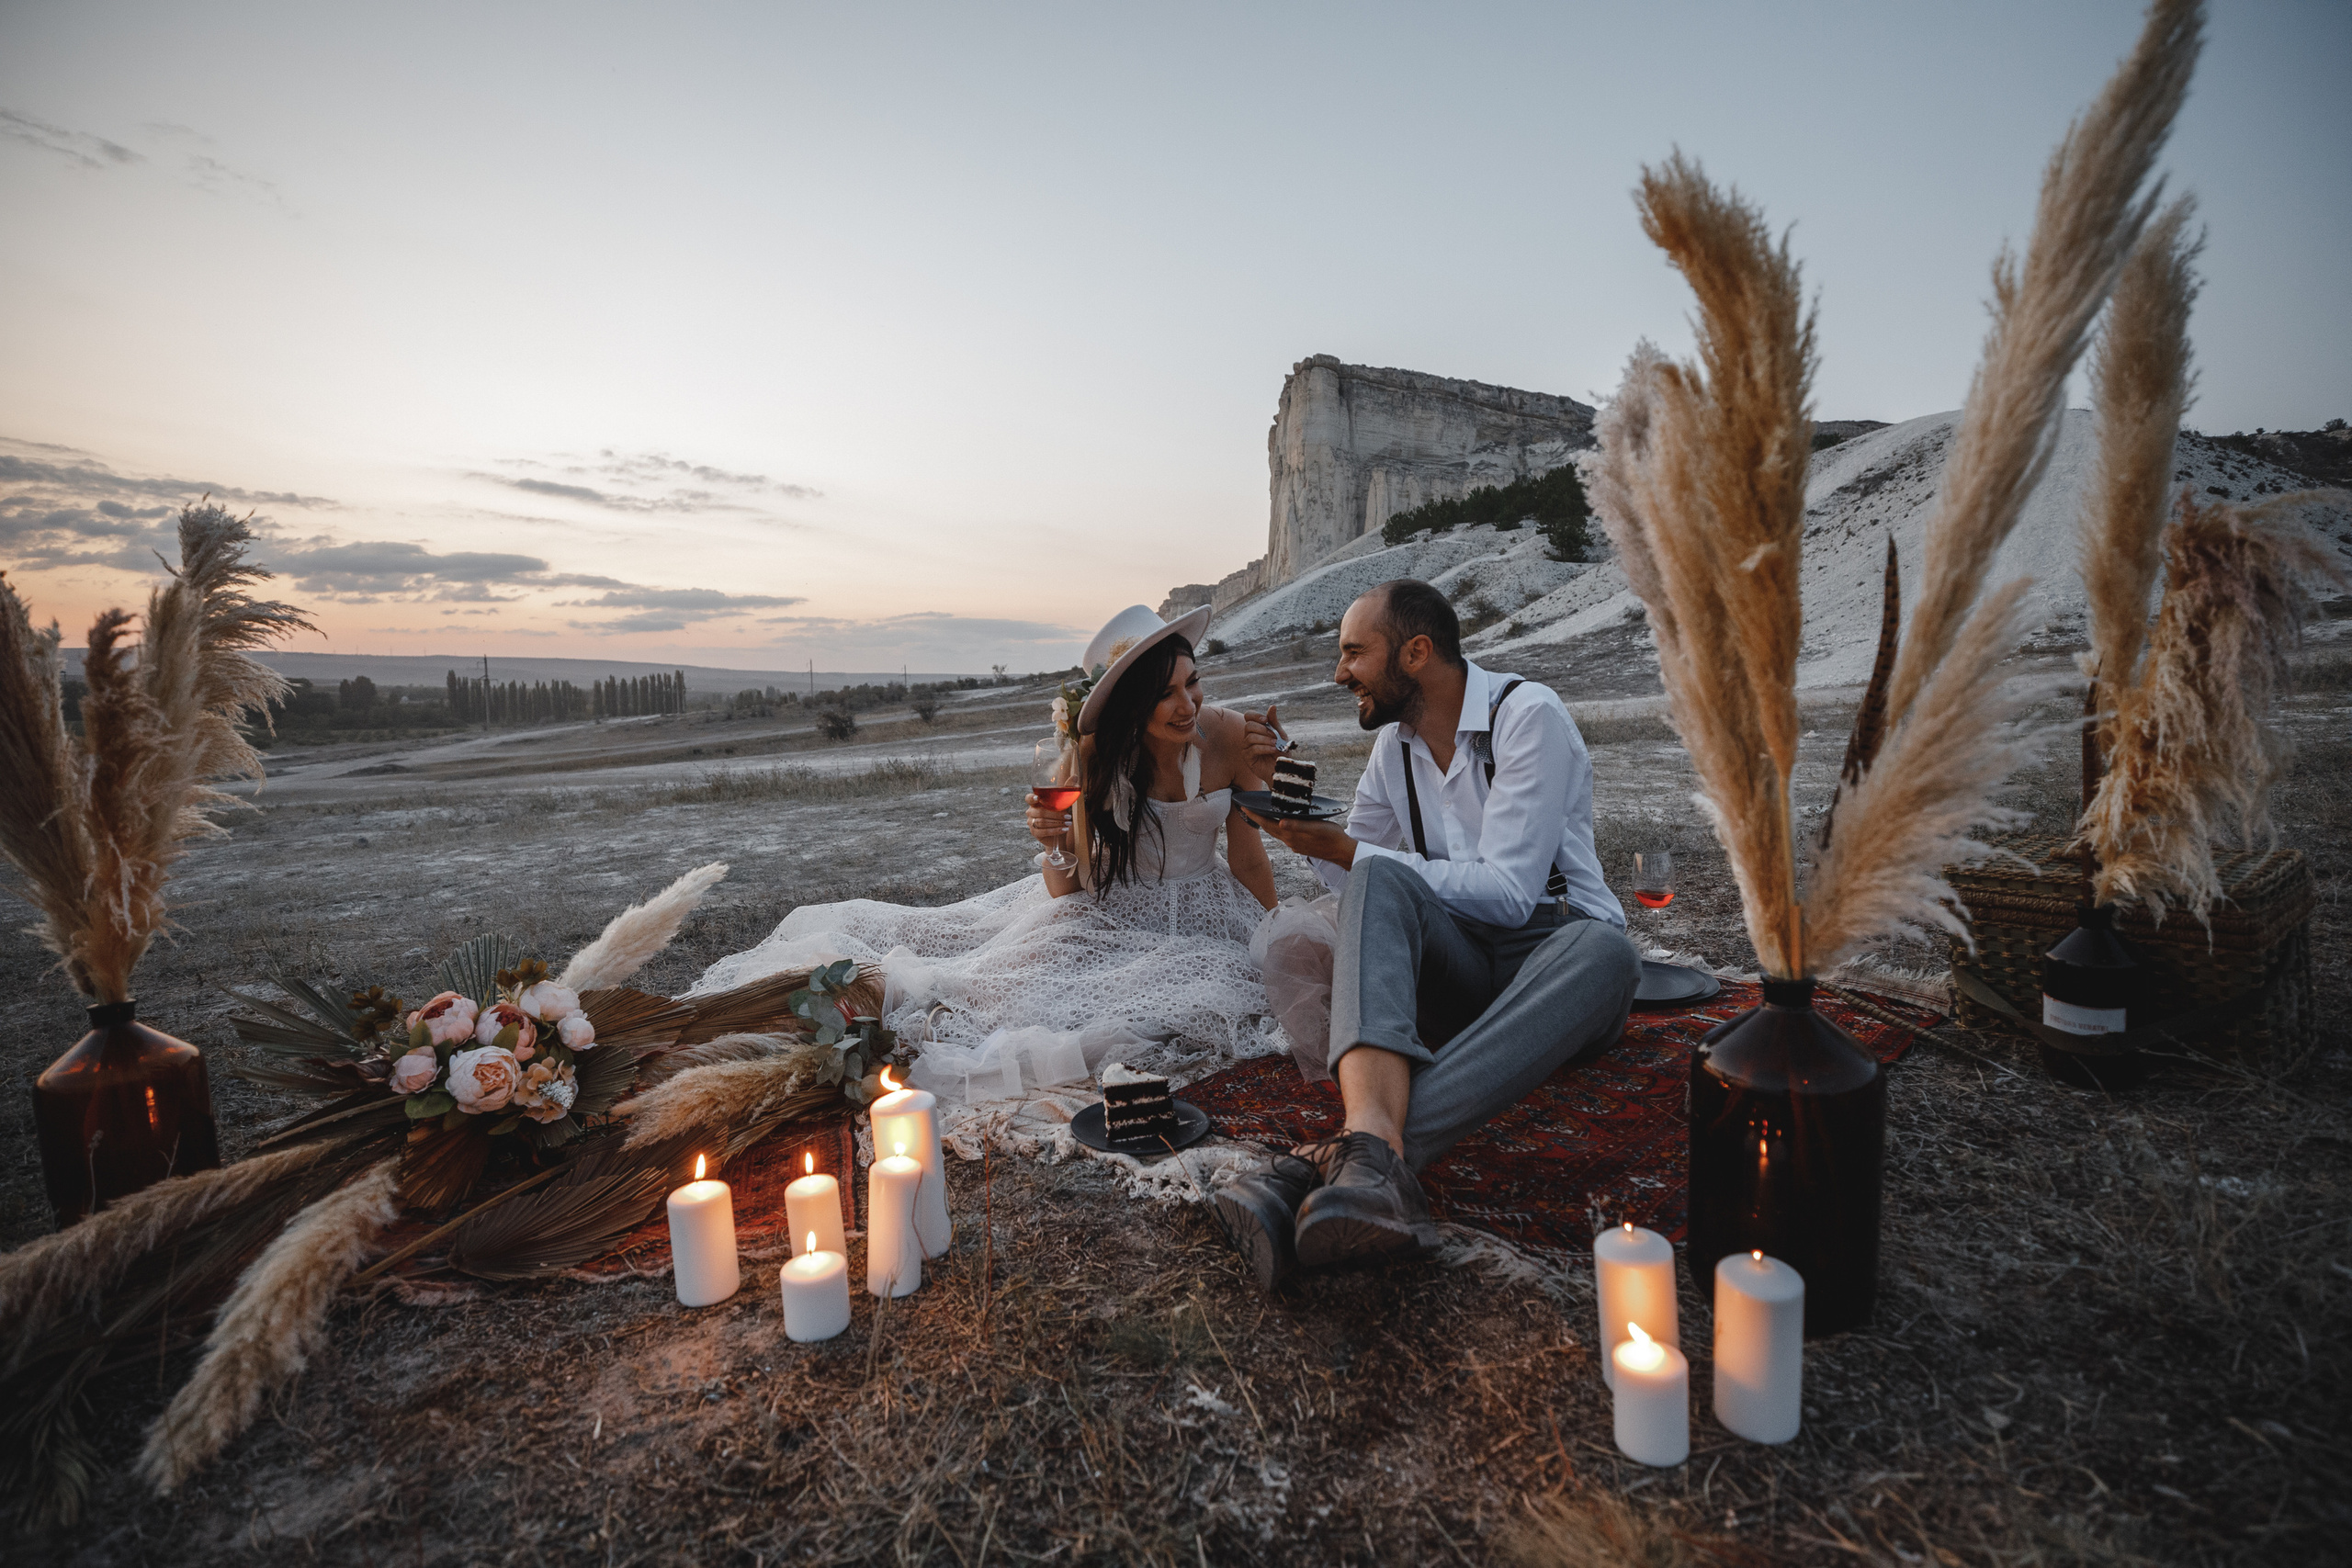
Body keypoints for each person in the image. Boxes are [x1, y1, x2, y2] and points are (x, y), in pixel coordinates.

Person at [1221, 578, 1639, 1290]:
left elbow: (1512, 895)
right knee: (1379, 877)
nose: (1339, 672)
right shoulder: (1395, 749)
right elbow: (1357, 881)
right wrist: (1295, 811)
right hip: (1463, 969)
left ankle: (1336, 1160)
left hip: (1555, 956)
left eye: (1354, 652)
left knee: (1610, 951)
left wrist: (1355, 852)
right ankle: (1371, 1157)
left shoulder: (1526, 716)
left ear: (1415, 653)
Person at [685, 604, 1281, 1080]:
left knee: (1237, 989)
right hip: (1115, 910)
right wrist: (1054, 841)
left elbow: (1249, 856)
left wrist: (1272, 928)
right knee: (1019, 1000)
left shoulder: (1232, 736)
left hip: (1209, 906)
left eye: (1193, 682)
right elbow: (1066, 888)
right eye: (1166, 694)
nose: (1188, 704)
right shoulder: (1093, 759)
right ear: (1130, 705)